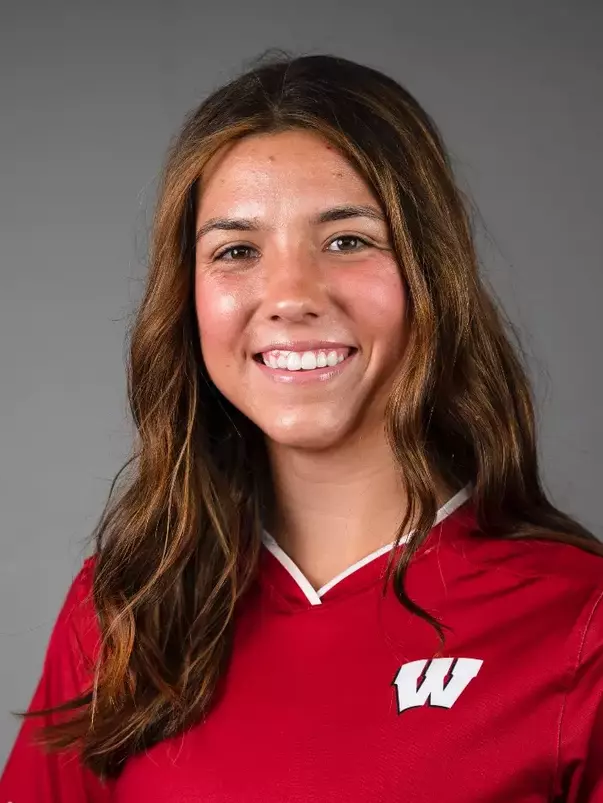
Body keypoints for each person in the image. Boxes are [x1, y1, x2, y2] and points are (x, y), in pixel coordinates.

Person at [1, 50, 602, 802]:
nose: (289, 295)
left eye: (347, 240)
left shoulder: (580, 622)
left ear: (430, 272)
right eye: (237, 251)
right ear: (187, 301)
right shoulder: (127, 608)